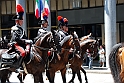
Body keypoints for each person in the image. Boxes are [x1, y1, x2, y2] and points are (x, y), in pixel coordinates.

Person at [1, 4, 32, 70]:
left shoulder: (21, 29)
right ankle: (18, 66)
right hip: (16, 44)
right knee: (23, 53)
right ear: (17, 21)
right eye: (21, 20)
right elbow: (16, 39)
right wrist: (25, 41)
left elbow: (24, 37)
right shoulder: (14, 28)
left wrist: (28, 41)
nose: (22, 21)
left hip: (21, 44)